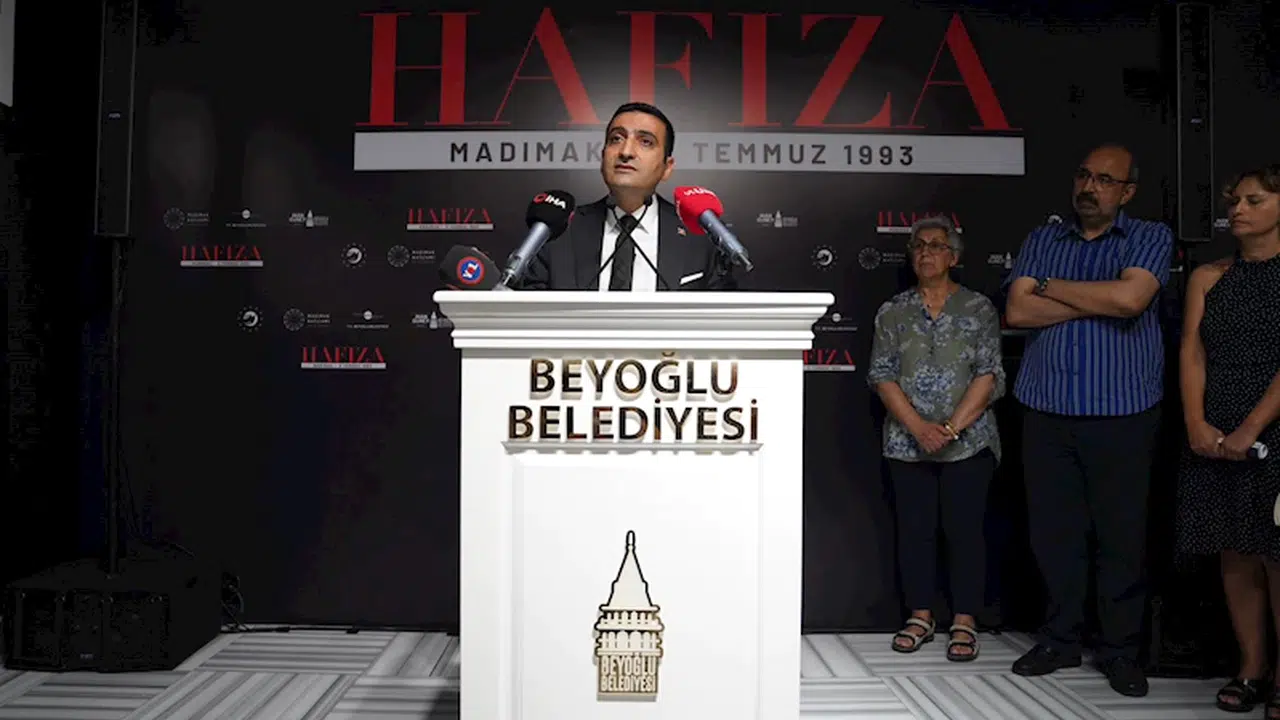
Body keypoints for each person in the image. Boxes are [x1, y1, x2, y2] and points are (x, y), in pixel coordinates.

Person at [1003, 144, 1173, 697]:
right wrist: (1100, 295)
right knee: (1056, 536)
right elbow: (1018, 310)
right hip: (1047, 409)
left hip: (1121, 412)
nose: (1090, 187)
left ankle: (1120, 650)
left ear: (1127, 192)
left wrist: (1050, 286)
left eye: (1104, 180)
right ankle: (1060, 639)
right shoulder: (1042, 238)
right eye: (1083, 175)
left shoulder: (1148, 235)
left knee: (1121, 539)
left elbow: (1130, 301)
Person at [867, 215, 1005, 663]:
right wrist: (919, 429)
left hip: (969, 443)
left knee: (965, 532)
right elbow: (882, 375)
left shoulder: (978, 309)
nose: (926, 252)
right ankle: (920, 615)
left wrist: (949, 429)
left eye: (936, 245)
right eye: (919, 246)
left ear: (954, 257)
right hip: (907, 444)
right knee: (915, 532)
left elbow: (989, 374)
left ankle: (965, 620)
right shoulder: (893, 311)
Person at [1175, 165, 1280, 717]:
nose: (1237, 209)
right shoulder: (1208, 276)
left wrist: (1252, 428)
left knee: (1277, 554)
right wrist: (1196, 422)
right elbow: (1191, 351)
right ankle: (1251, 668)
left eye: (1254, 200)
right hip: (1215, 430)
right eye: (1235, 200)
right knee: (1235, 550)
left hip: (1272, 428)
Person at [516, 102, 737, 291]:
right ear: (602, 156)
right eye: (616, 139)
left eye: (646, 141)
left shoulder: (700, 238)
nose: (626, 151)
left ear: (667, 167)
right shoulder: (558, 232)